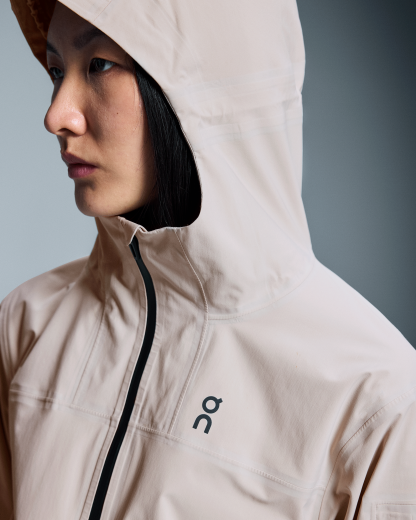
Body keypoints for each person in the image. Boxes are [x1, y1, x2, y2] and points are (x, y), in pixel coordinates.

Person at [2, 0, 416, 518]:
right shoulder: (26, 326)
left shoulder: (378, 401)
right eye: (56, 70)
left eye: (99, 65)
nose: (56, 115)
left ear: (209, 86)